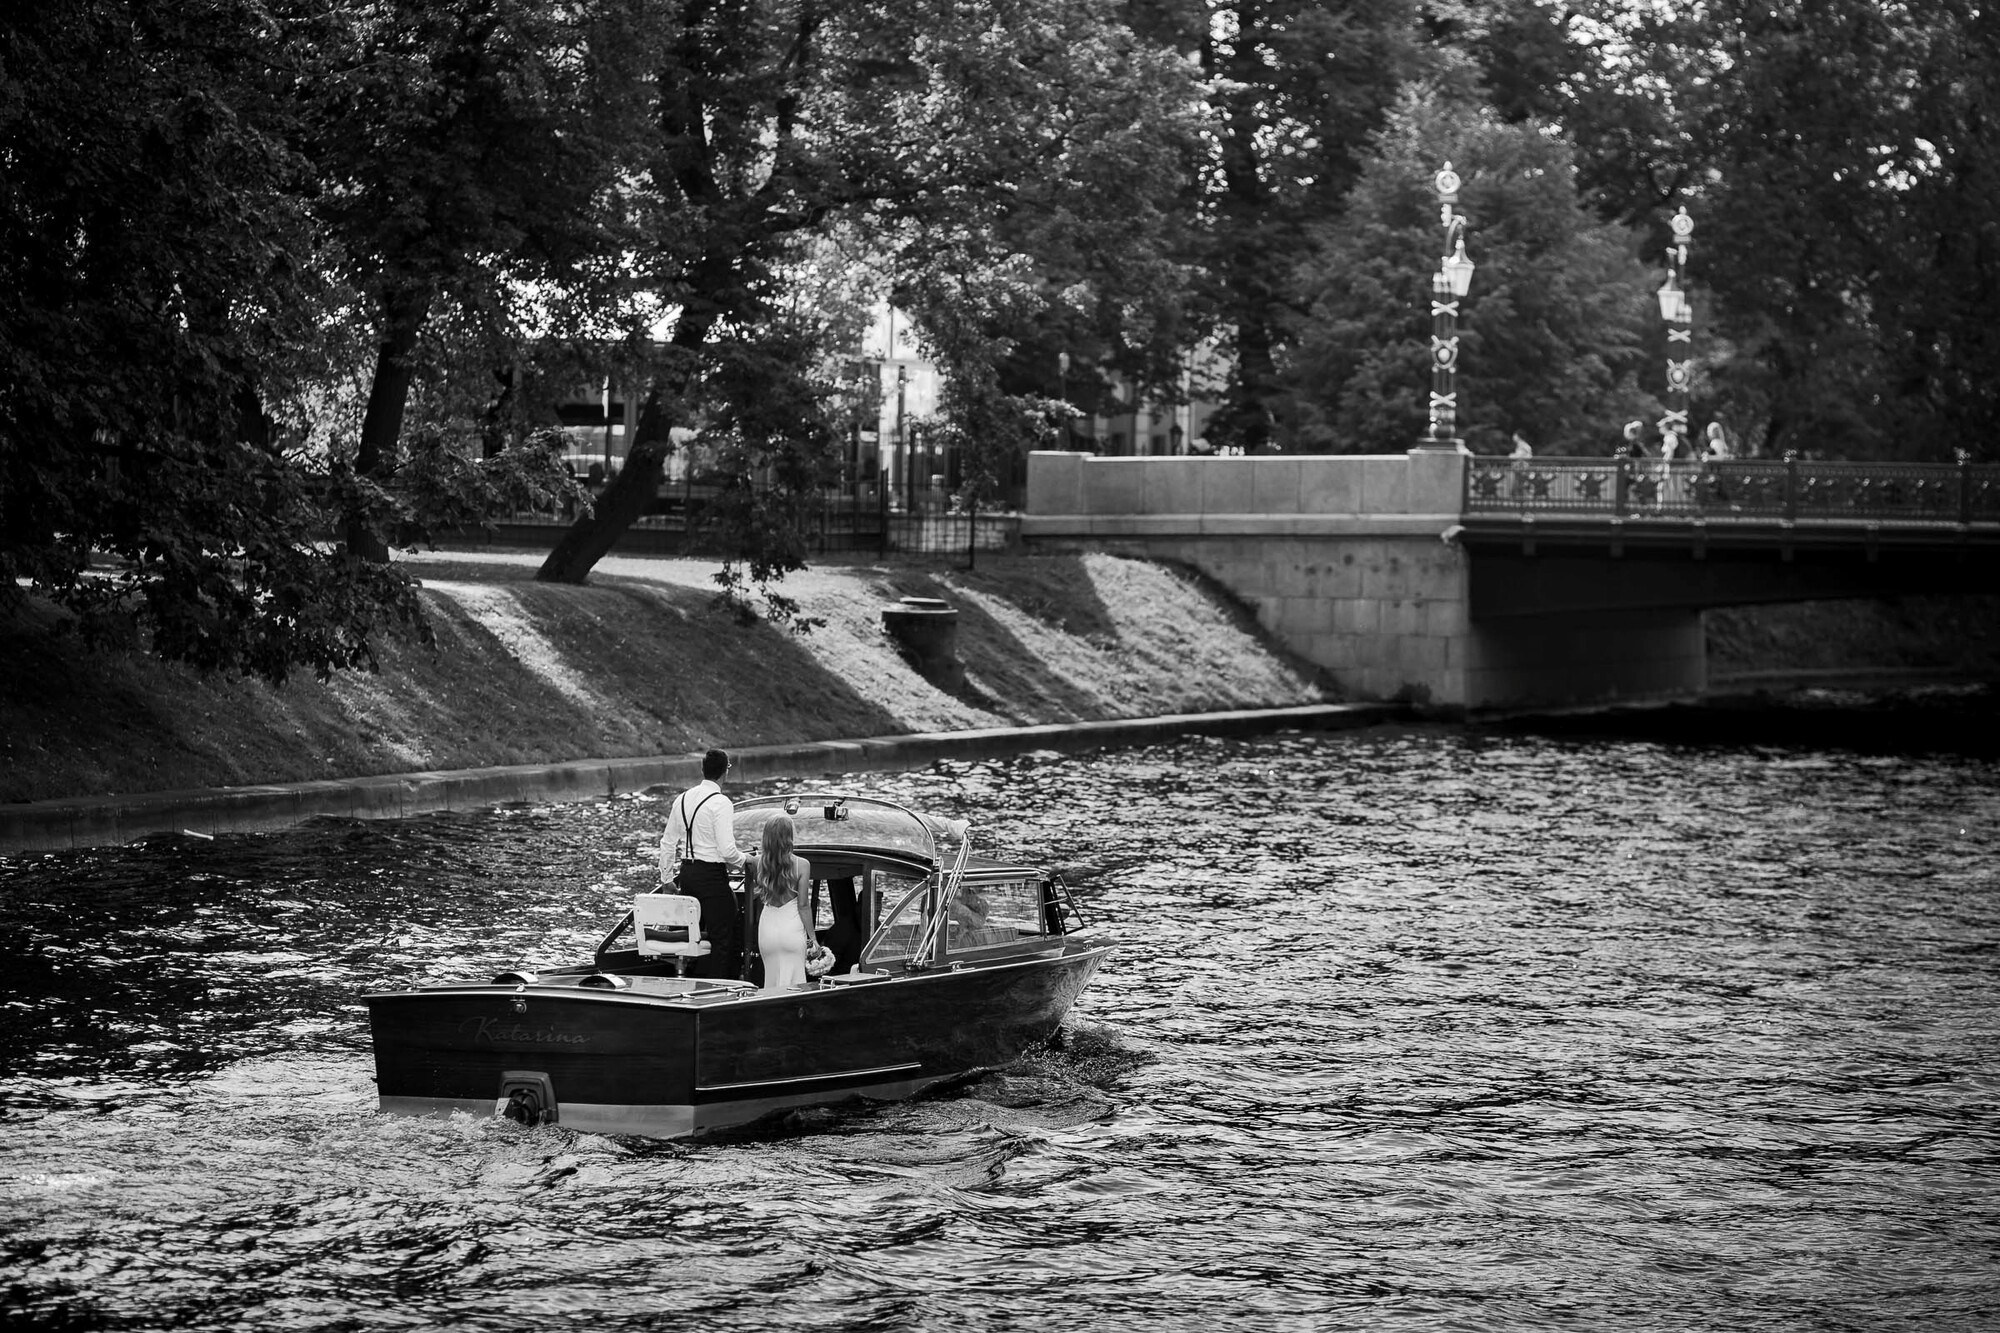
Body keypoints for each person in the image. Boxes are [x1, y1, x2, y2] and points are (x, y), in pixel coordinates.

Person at [660, 748, 752, 979]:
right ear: (725, 772)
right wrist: (748, 860)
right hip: (711, 876)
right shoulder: (721, 803)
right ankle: (719, 986)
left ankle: (695, 979)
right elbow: (727, 850)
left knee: (696, 932)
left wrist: (667, 879)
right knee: (726, 934)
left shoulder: (681, 799)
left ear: (703, 770)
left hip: (687, 875)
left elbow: (668, 842)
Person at [752, 814, 820, 991]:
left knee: (771, 981)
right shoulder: (802, 865)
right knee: (795, 984)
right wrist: (813, 939)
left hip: (767, 930)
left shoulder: (758, 863)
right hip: (791, 929)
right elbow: (803, 905)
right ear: (789, 837)